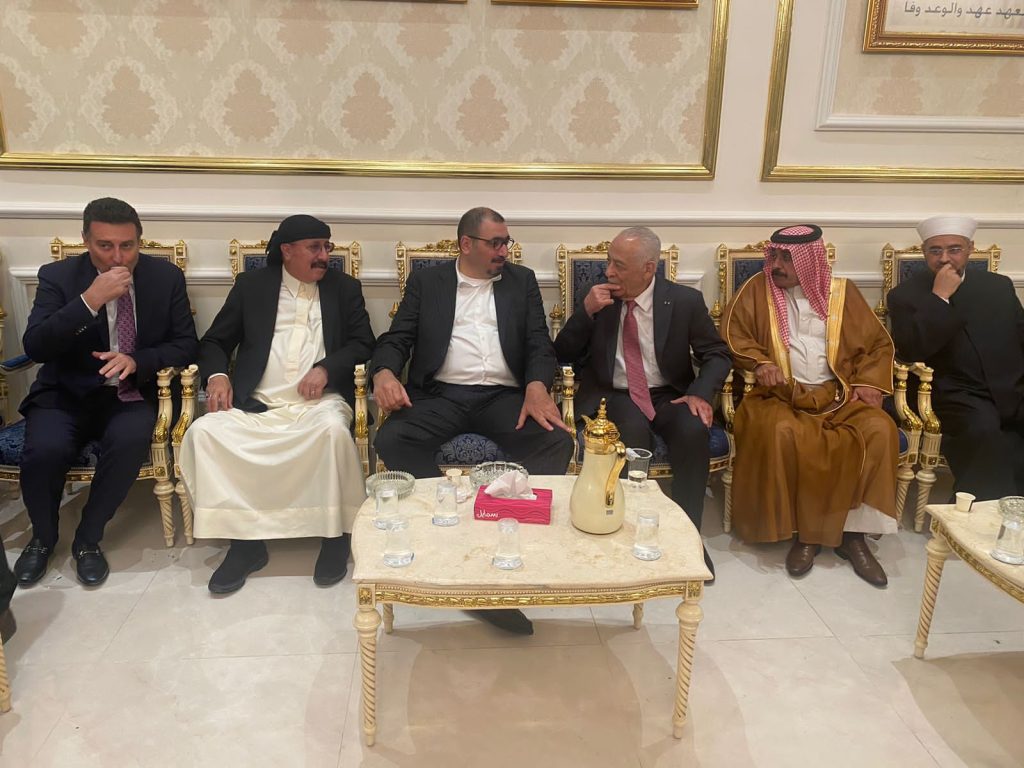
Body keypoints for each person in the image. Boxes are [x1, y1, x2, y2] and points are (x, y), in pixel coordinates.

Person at [371, 206, 574, 634]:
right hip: (442, 395)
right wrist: (384, 372)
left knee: (556, 441)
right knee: (392, 438)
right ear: (466, 244)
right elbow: (398, 337)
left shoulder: (521, 281)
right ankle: (444, 530)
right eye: (495, 243)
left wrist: (538, 385)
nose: (504, 250)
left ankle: (511, 536)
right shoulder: (429, 283)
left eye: (506, 242)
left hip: (503, 397)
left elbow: (539, 341)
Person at [179, 215, 374, 594]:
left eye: (327, 247)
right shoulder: (251, 286)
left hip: (319, 405)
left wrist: (326, 368)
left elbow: (364, 342)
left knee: (333, 433)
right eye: (315, 247)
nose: (324, 255)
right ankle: (245, 545)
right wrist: (217, 376)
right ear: (286, 251)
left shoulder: (344, 288)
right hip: (257, 404)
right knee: (205, 432)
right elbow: (215, 341)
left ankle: (334, 536)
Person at [13, 198, 198, 587]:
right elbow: (36, 346)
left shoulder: (165, 278)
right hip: (65, 393)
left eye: (127, 245)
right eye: (105, 245)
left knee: (130, 442)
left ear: (139, 240)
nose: (118, 256)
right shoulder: (58, 277)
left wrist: (137, 360)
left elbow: (185, 344)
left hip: (130, 393)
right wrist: (89, 301)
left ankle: (88, 538)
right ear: (86, 241)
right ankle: (42, 538)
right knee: (44, 450)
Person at [721, 225, 898, 587]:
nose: (777, 265)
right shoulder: (757, 290)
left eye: (787, 258)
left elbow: (878, 345)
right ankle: (805, 535)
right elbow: (732, 334)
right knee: (783, 432)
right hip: (780, 396)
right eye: (775, 256)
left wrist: (867, 383)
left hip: (839, 396)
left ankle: (853, 536)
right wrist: (759, 362)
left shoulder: (843, 293)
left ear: (810, 260)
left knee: (880, 430)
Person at [553, 227, 731, 576]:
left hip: (668, 394)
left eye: (619, 265)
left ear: (648, 268)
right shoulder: (597, 298)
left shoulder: (684, 301)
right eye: (608, 262)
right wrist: (585, 313)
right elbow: (562, 354)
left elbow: (717, 353)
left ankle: (687, 538)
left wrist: (699, 392)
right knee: (632, 436)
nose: (609, 272)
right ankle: (627, 532)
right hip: (613, 395)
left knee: (693, 431)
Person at [887, 215, 1024, 500]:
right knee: (984, 431)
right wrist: (940, 298)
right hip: (953, 394)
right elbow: (911, 351)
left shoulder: (998, 286)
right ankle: (982, 513)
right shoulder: (904, 295)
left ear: (970, 249)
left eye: (954, 249)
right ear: (924, 252)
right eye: (935, 250)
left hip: (1010, 386)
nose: (944, 258)